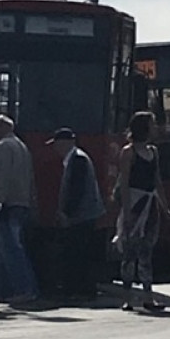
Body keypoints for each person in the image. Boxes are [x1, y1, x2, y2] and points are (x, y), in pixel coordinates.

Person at [114, 110, 170, 312]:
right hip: (136, 204)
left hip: (150, 204)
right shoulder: (128, 152)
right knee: (130, 253)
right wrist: (127, 211)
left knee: (147, 251)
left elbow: (157, 181)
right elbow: (125, 183)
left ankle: (148, 295)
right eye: (152, 124)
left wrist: (164, 207)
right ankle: (128, 297)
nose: (155, 128)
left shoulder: (153, 152)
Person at [0, 114, 38, 303]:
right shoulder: (22, 147)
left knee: (11, 249)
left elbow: (0, 176)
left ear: (1, 128)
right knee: (2, 250)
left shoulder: (3, 147)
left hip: (6, 205)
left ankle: (24, 289)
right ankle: (4, 291)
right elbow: (30, 178)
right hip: (21, 203)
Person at [48, 127, 105, 300]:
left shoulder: (77, 159)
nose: (55, 148)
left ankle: (82, 290)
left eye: (57, 144)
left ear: (67, 143)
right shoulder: (75, 159)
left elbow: (77, 190)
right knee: (80, 252)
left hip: (81, 216)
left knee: (78, 253)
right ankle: (83, 289)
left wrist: (67, 213)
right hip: (83, 215)